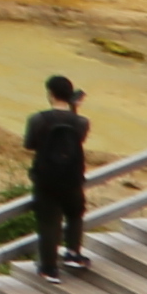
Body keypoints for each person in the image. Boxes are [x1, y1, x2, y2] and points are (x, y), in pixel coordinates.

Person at [26, 73, 93, 273]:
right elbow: (75, 141)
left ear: (50, 94)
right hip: (72, 178)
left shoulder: (38, 119)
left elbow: (30, 144)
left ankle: (49, 267)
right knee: (75, 214)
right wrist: (74, 109)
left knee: (48, 222)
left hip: (45, 178)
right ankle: (73, 253)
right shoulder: (82, 122)